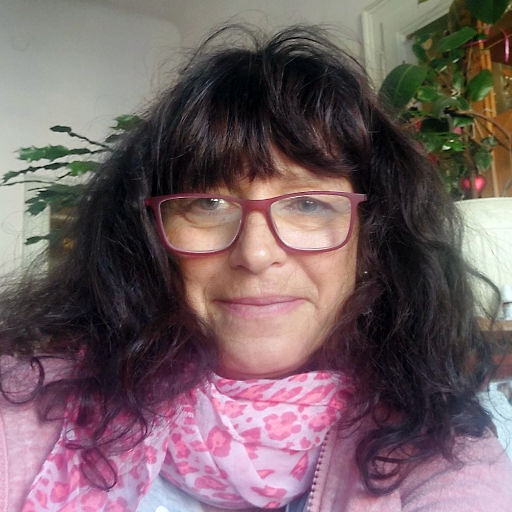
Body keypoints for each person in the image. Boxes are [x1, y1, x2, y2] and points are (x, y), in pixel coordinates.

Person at [0, 25, 511, 512]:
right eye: (207, 204)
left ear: (373, 238)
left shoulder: (442, 446)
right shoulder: (24, 403)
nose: (256, 253)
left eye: (308, 203)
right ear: (149, 235)